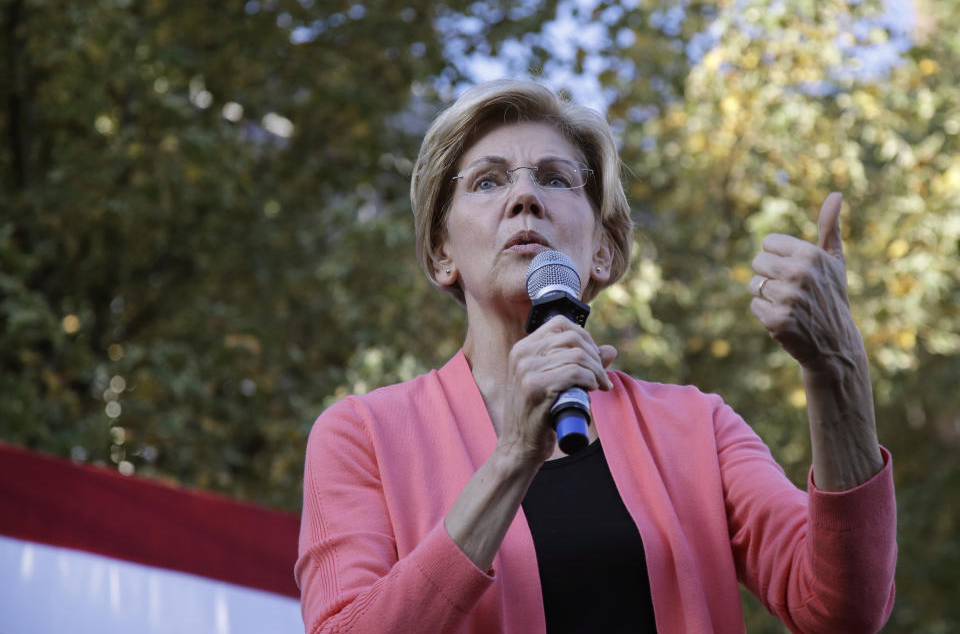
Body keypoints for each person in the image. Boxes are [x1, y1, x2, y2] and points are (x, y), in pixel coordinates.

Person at [295, 80, 896, 633]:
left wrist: (836, 368)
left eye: (556, 178)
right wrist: (512, 460)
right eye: (487, 181)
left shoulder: (696, 427)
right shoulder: (362, 437)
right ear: (441, 253)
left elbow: (843, 608)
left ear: (603, 253)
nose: (525, 195)